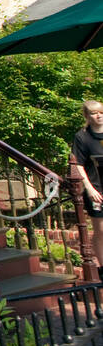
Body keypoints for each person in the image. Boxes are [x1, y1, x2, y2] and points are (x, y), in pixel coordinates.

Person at [71, 100, 103, 269]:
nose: (99, 116)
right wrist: (89, 189)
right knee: (101, 231)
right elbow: (78, 165)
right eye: (94, 113)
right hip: (97, 189)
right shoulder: (82, 137)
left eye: (101, 112)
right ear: (87, 116)